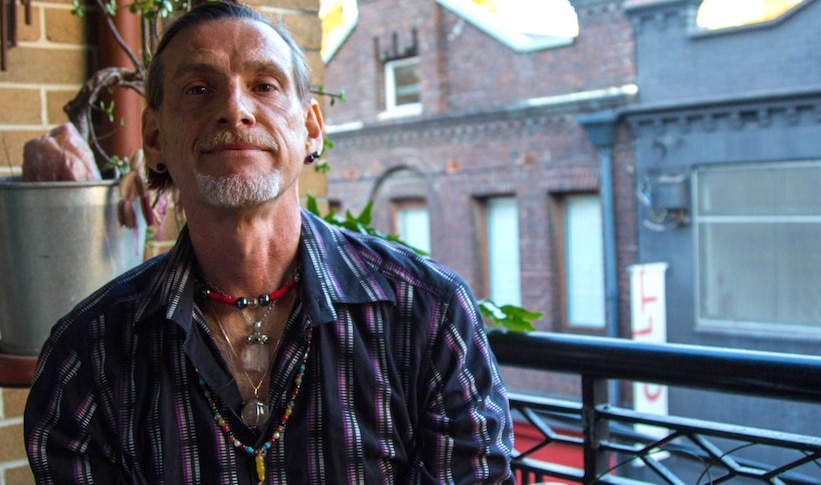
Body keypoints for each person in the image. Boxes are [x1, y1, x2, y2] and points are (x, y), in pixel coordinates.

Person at [23, 2, 515, 484]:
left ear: (311, 128)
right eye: (198, 89)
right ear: (154, 137)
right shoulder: (88, 353)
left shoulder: (427, 314)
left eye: (265, 86)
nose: (235, 109)